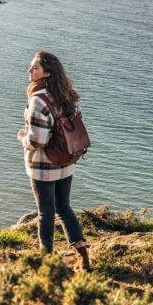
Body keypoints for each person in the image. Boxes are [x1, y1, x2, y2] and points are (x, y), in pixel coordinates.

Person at [17, 51, 92, 272]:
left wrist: (23, 138)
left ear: (47, 73)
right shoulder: (67, 95)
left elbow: (38, 140)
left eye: (35, 68)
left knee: (45, 213)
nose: (30, 71)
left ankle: (47, 262)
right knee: (64, 208)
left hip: (43, 166)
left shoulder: (38, 99)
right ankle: (83, 258)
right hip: (67, 161)